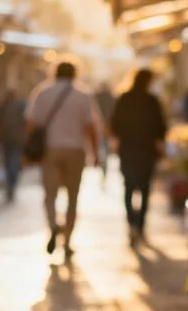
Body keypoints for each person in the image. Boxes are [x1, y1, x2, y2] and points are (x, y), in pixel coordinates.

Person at [26, 61, 100, 259]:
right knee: (72, 197)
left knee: (50, 195)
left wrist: (28, 151)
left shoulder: (42, 92)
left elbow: (31, 123)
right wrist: (96, 153)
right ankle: (67, 241)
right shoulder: (83, 95)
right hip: (76, 150)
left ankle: (52, 226)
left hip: (50, 150)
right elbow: (90, 127)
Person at [111, 69, 167, 245]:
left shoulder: (124, 98)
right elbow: (161, 126)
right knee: (144, 188)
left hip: (128, 149)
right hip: (146, 149)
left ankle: (132, 223)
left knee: (128, 186)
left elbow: (114, 123)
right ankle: (140, 225)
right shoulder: (151, 100)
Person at [0, 87, 27, 202]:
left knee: (10, 164)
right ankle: (11, 185)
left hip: (7, 140)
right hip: (13, 140)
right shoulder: (20, 106)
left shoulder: (3, 107)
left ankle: (10, 185)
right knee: (12, 164)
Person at [94, 81, 115, 179]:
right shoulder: (110, 97)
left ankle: (103, 165)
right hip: (107, 125)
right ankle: (104, 166)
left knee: (101, 145)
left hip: (97, 125)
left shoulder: (96, 96)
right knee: (105, 146)